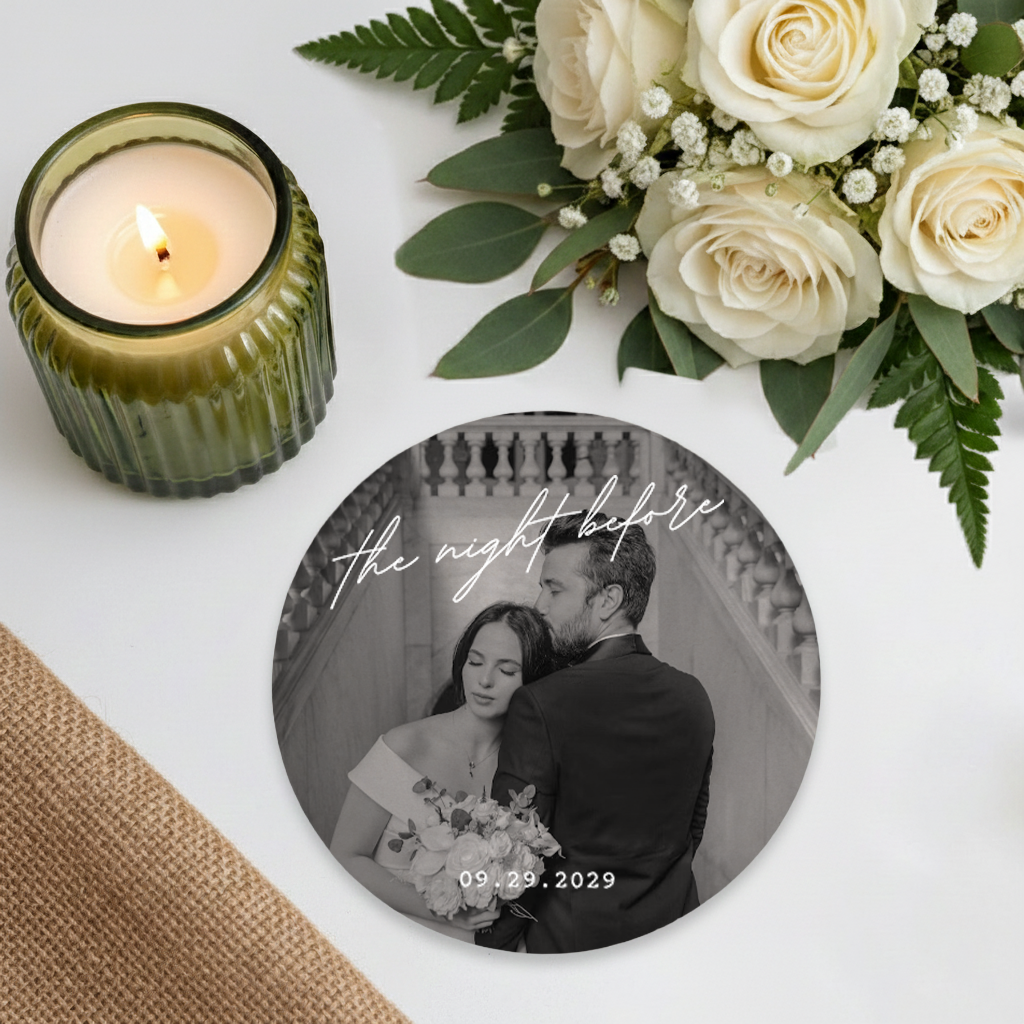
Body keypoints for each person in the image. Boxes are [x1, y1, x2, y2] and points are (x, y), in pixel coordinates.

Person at [475, 510, 715, 953]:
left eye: (554, 589)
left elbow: (512, 857)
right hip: (674, 941)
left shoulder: (541, 703)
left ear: (608, 600)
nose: (539, 605)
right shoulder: (693, 696)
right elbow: (691, 831)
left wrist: (489, 949)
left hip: (569, 949)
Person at [330, 601, 554, 942]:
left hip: (483, 958)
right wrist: (443, 910)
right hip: (390, 942)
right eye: (475, 661)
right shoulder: (405, 745)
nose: (484, 679)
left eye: (507, 671)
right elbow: (345, 857)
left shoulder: (526, 769)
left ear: (534, 679)